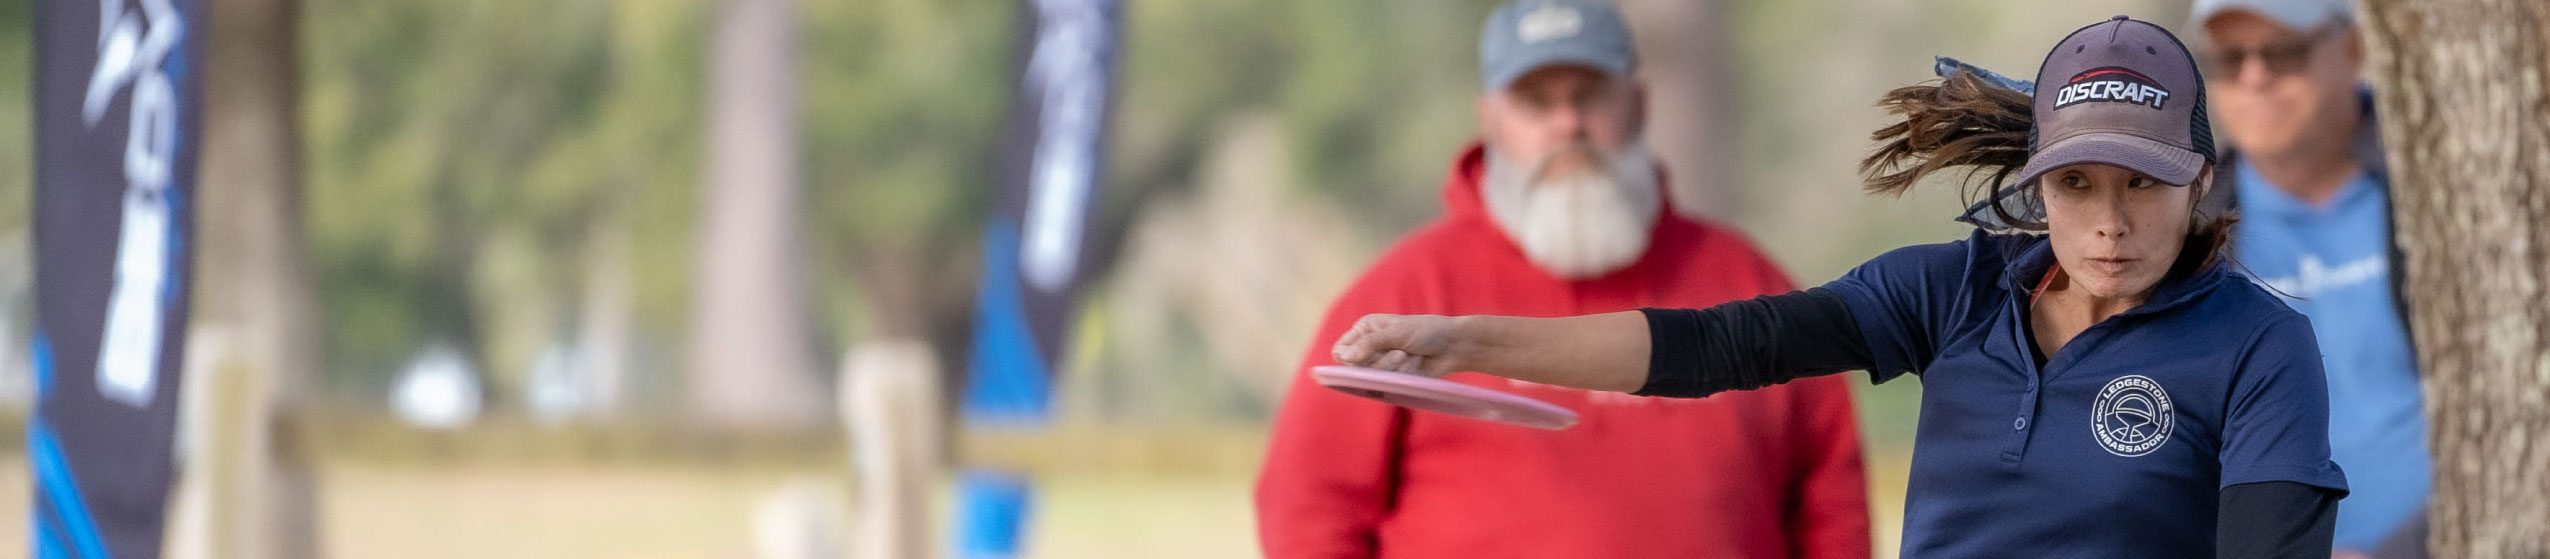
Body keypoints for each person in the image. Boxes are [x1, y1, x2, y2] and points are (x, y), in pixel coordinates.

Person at [1327, 16, 2348, 558]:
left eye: (2148, 184)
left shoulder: (2257, 346)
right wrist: (1462, 341)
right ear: (2041, 184)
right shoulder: (1953, 292)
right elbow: (1718, 346)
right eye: (2078, 185)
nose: (2111, 222)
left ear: (2202, 181)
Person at [1253, 1, 1870, 557]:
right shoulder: (1404, 293)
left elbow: (1830, 493)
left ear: (1640, 104)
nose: (1567, 123)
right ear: (1491, 120)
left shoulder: (1746, 280)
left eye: (1590, 94)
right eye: (1535, 102)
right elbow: (1309, 505)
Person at [2192, 1, 2428, 555]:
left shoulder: (2439, 186)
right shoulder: (2187, 232)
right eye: (2230, 59)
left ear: (2353, 50)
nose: (2255, 77)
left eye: (2284, 52)